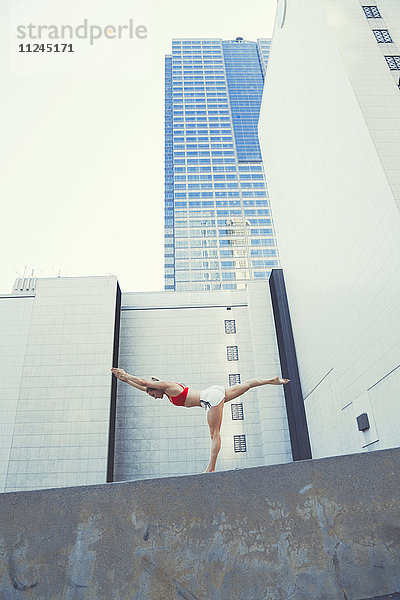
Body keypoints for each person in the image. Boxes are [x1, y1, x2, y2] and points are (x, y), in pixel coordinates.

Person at [111, 368, 289, 473]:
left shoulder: (167, 386)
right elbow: (142, 386)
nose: (154, 397)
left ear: (155, 388)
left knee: (214, 434)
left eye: (152, 394)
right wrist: (124, 380)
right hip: (212, 392)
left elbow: (143, 382)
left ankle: (211, 468)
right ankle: (271, 380)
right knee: (248, 385)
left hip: (210, 399)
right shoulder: (166, 392)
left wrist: (126, 375)